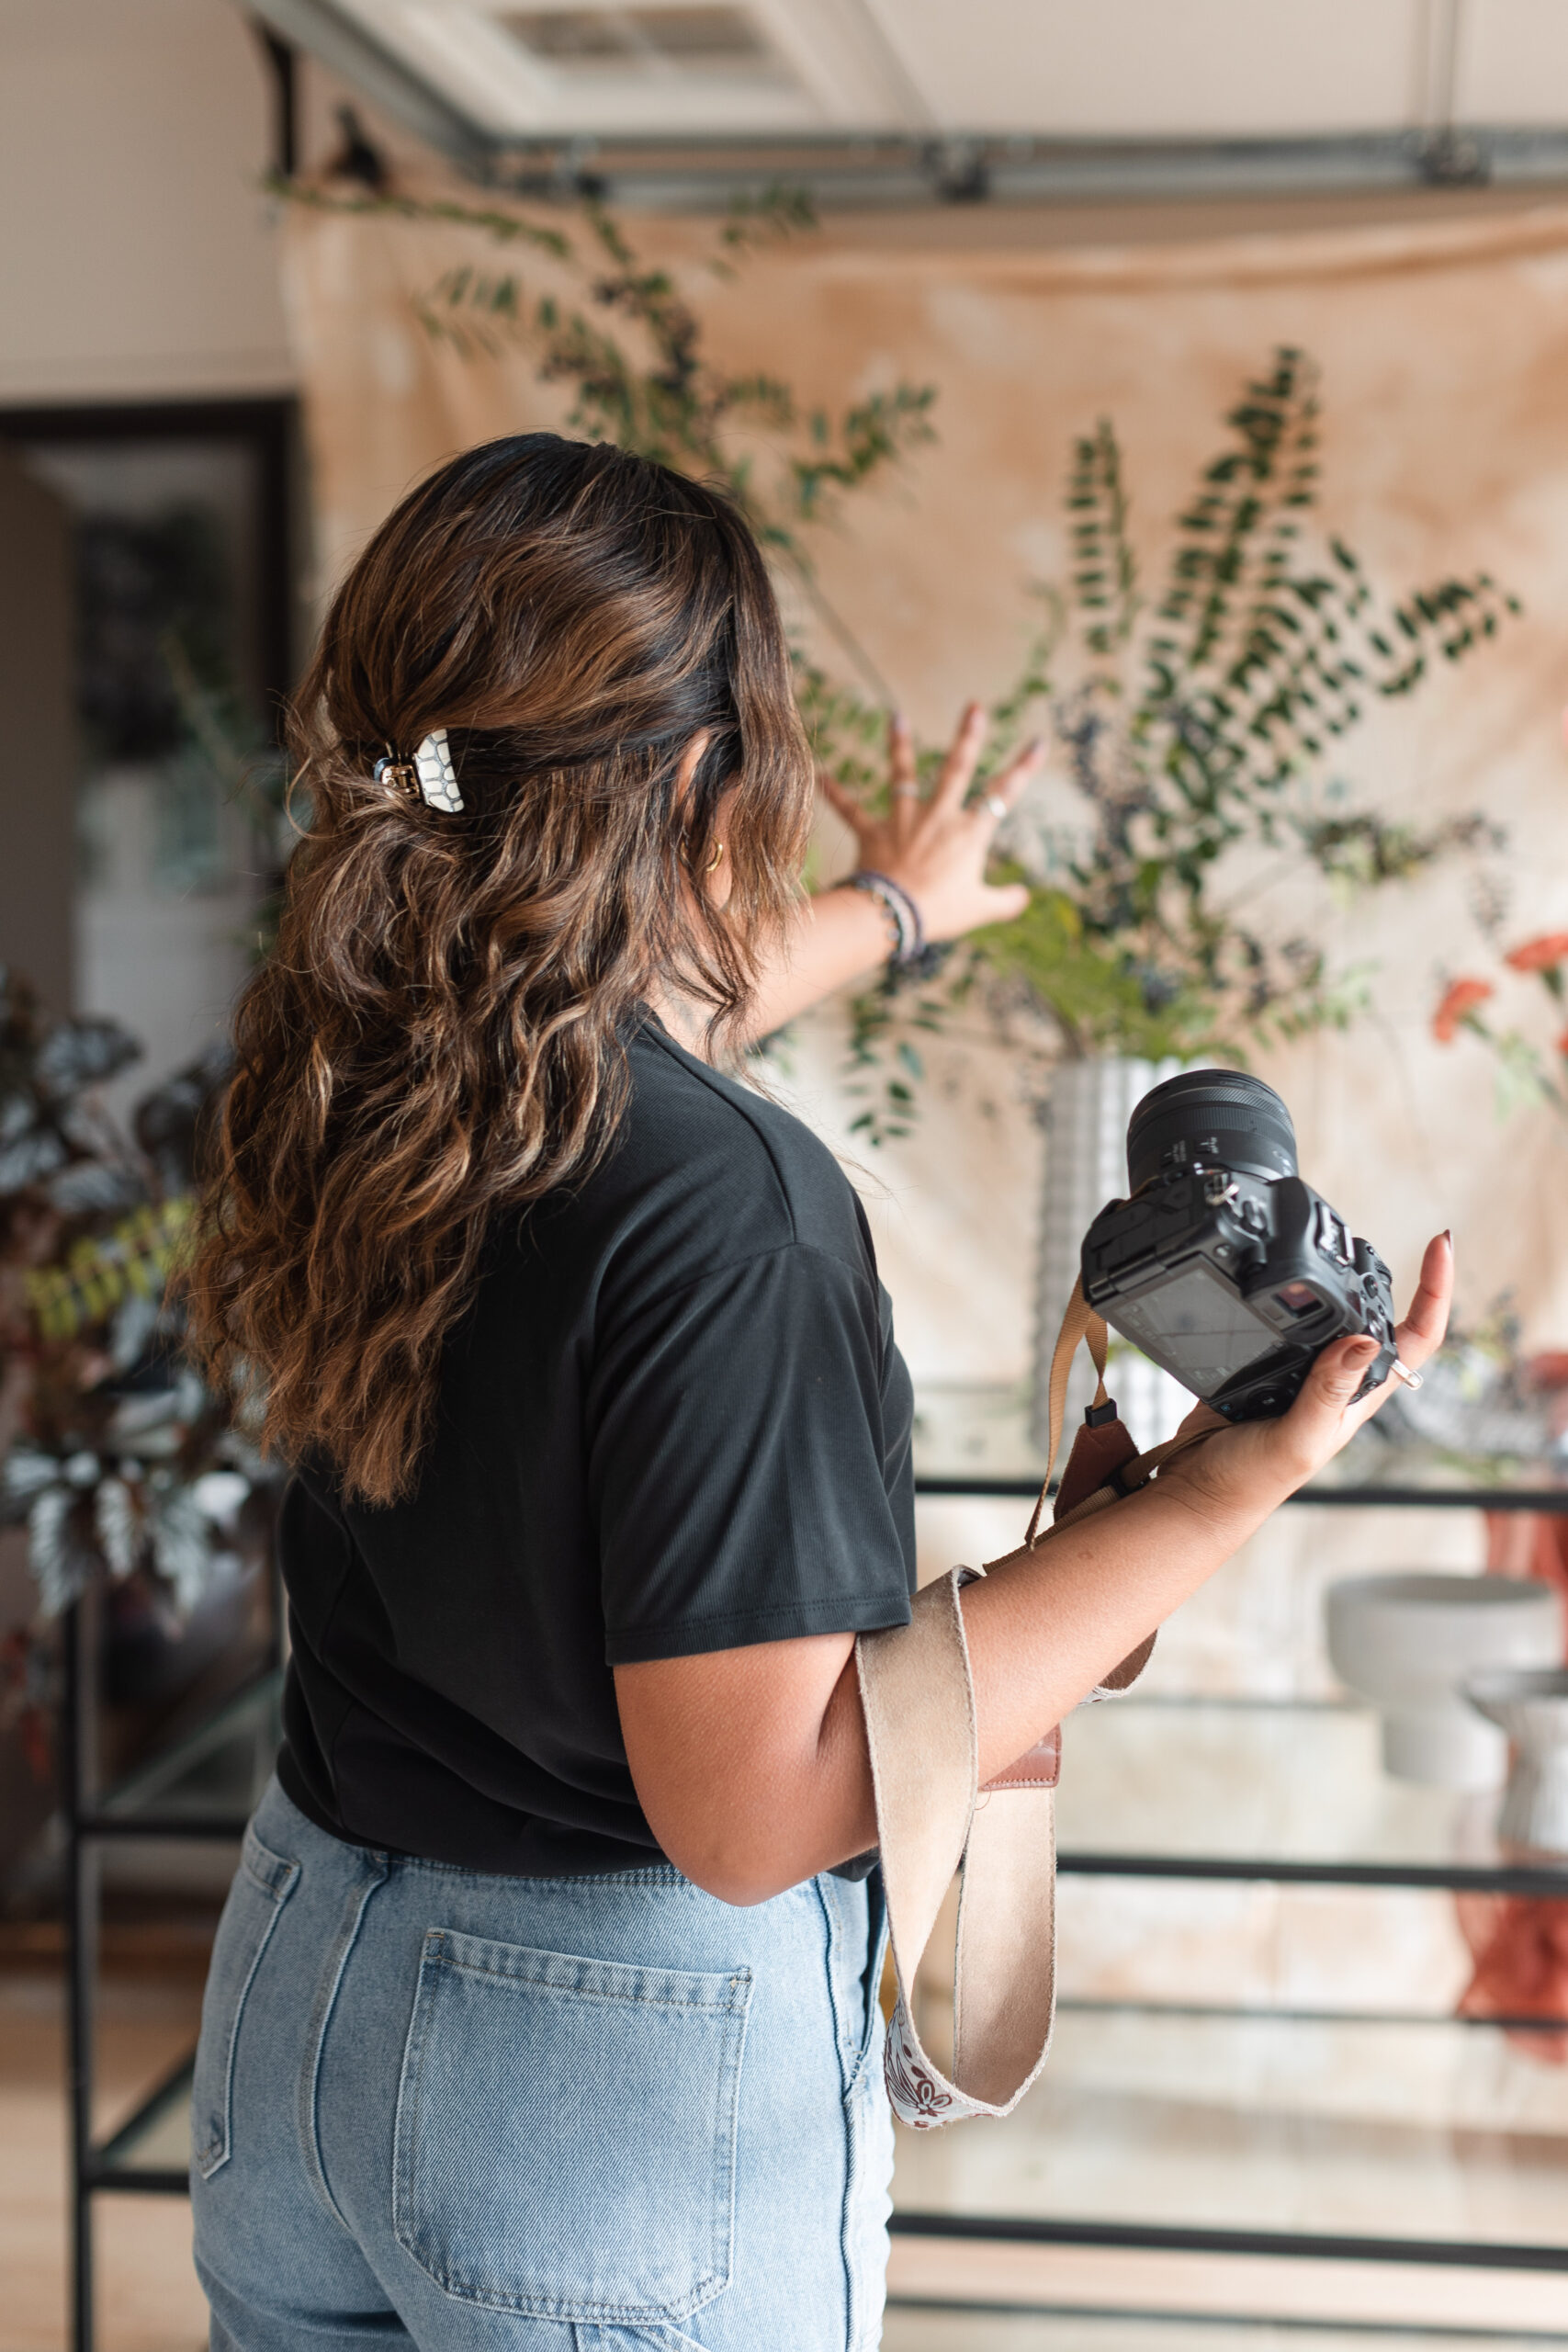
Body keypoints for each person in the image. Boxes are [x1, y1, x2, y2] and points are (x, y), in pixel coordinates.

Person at [184, 433, 1451, 2352]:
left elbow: (607, 1024)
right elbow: (756, 1807)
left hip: (302, 1989)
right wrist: (1216, 1493)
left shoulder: (357, 1079)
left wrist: (896, 905)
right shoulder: (729, 1211)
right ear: (702, 773)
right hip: (584, 2077)